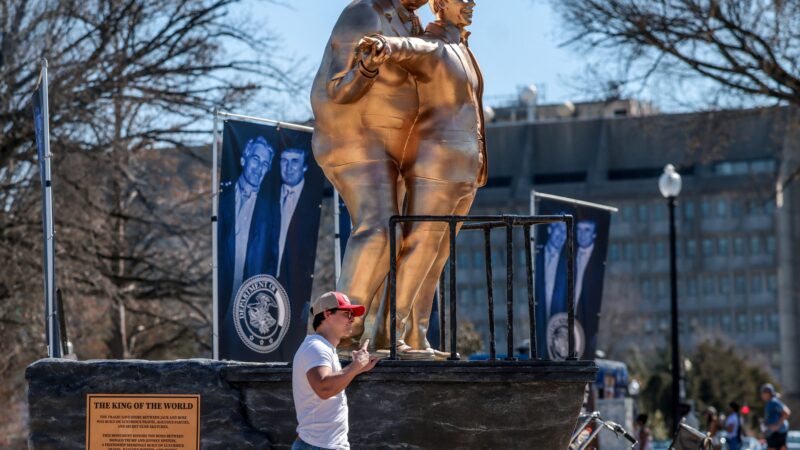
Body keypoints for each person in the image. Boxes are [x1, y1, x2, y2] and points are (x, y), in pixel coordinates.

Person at [358, 0, 487, 357]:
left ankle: (417, 334)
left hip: (467, 170)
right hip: (436, 166)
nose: (471, 4)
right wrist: (383, 44)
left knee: (438, 256)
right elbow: (407, 47)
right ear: (441, 4)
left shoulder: (462, 48)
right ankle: (389, 334)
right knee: (420, 247)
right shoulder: (433, 46)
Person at [310, 0, 429, 352]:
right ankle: (339, 335)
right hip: (355, 139)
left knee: (405, 237)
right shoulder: (364, 13)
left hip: (398, 147)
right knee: (379, 229)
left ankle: (381, 335)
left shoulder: (413, 24)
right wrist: (366, 67)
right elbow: (334, 89)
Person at [292, 292, 379, 450]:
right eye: (347, 314)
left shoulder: (323, 347)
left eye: (352, 315)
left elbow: (328, 384)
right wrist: (355, 366)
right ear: (327, 314)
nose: (352, 319)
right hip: (317, 446)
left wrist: (357, 370)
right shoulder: (316, 347)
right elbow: (324, 388)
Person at [217, 136, 278, 308]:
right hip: (217, 294)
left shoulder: (271, 211)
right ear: (243, 160)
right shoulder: (221, 200)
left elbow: (272, 259)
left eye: (265, 164)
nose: (259, 168)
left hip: (251, 300)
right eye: (255, 159)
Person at [535, 220, 567, 358]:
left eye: (565, 232)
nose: (562, 235)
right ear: (549, 230)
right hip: (537, 321)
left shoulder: (567, 262)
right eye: (559, 229)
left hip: (555, 323)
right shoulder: (536, 255)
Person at [761, 383, 791, 450]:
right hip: (773, 432)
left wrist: (777, 425)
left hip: (778, 432)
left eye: (763, 392)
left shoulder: (774, 402)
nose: (762, 395)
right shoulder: (769, 403)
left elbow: (787, 412)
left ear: (768, 393)